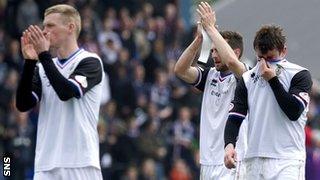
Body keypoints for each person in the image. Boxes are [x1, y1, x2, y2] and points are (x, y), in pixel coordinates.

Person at [16, 4, 103, 179]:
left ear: (70, 27)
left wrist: (43, 55)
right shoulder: (42, 67)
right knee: (9, 166)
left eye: (50, 26)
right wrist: (30, 62)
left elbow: (66, 92)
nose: (44, 31)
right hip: (45, 165)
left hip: (80, 162)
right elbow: (23, 104)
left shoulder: (90, 61)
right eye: (44, 26)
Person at [224, 24, 313, 179]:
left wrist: (272, 80)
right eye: (260, 58)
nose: (265, 64)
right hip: (254, 159)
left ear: (283, 50)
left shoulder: (299, 74)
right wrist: (229, 145)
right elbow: (235, 117)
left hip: (287, 159)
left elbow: (293, 111)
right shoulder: (247, 79)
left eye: (270, 58)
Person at [174, 2, 248, 179]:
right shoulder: (210, 75)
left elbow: (231, 63)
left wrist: (211, 29)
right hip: (207, 161)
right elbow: (180, 70)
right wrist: (199, 39)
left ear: (235, 52)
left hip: (232, 159)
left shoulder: (246, 76)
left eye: (218, 50)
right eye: (212, 50)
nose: (214, 55)